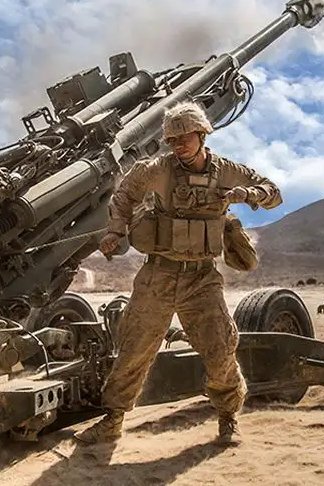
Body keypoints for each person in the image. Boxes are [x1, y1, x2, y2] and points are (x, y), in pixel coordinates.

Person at [74, 99, 283, 447]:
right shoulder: (157, 169)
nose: (179, 144)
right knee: (134, 349)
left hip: (201, 278)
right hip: (158, 275)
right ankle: (112, 420)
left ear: (202, 134)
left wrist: (248, 193)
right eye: (172, 140)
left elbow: (274, 193)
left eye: (185, 137)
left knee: (220, 348)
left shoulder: (226, 170)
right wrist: (115, 230)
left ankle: (228, 417)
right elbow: (124, 195)